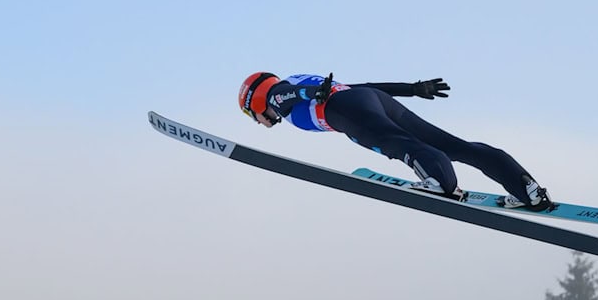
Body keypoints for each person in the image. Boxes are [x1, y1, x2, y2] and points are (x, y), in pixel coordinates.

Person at [237, 72, 553, 211]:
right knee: (454, 145)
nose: (262, 121)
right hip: (370, 99)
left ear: (256, 101)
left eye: (254, 115)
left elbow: (287, 95)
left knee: (397, 144)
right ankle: (527, 190)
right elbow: (365, 85)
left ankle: (441, 182)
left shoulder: (279, 96)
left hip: (344, 110)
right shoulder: (297, 79)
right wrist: (412, 89)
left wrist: (310, 95)